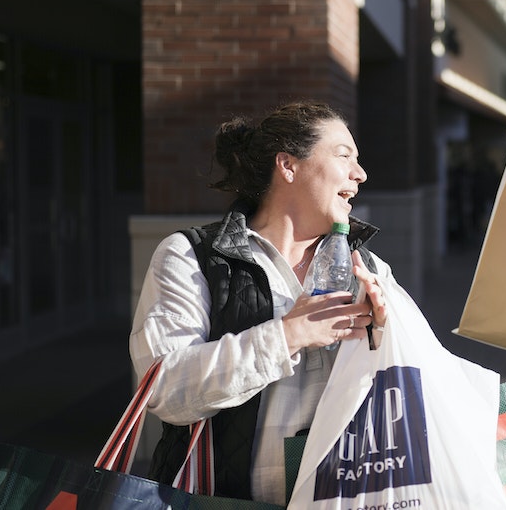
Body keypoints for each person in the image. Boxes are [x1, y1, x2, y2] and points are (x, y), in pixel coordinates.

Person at [130, 101, 391, 504]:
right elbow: (164, 389)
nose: (361, 174)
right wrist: (288, 335)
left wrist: (385, 340)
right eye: (344, 156)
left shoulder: (370, 269)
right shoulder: (190, 256)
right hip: (221, 500)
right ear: (288, 166)